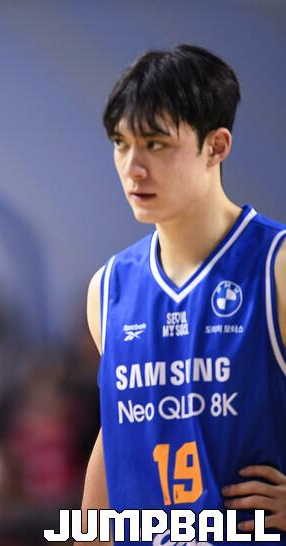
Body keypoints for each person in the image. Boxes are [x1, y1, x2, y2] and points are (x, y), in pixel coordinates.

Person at [80, 44, 286, 544]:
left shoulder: (275, 266)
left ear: (216, 146)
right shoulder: (108, 288)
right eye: (121, 143)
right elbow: (117, 435)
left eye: (155, 144)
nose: (133, 167)